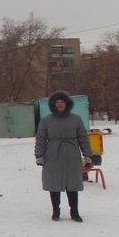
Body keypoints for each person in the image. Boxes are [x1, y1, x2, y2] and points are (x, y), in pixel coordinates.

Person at [34, 90, 94, 222]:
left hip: (71, 155)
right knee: (54, 184)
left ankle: (75, 212)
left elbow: (83, 138)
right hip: (53, 155)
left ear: (67, 104)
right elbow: (40, 138)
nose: (60, 104)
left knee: (72, 184)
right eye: (57, 102)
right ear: (53, 104)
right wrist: (39, 155)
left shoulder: (76, 119)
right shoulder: (46, 120)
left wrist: (87, 155)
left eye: (62, 102)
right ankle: (56, 211)